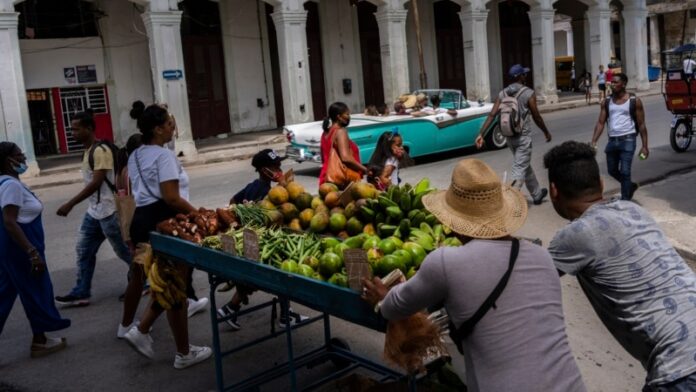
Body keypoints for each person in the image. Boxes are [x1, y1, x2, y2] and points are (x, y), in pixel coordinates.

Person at [362, 159, 586, 392]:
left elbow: (393, 308)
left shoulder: (445, 262)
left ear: (454, 221)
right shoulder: (542, 257)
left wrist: (382, 298)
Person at [544, 141, 696, 392]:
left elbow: (523, 279)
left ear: (553, 191)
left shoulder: (574, 235)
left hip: (679, 369)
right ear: (601, 185)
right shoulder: (634, 210)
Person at [120, 104, 211, 369]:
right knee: (175, 286)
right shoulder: (164, 156)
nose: (173, 127)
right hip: (164, 222)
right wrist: (199, 215)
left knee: (169, 285)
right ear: (158, 129)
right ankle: (164, 342)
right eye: (170, 123)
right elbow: (171, 197)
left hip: (141, 220)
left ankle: (160, 338)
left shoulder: (136, 154)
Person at [217, 149, 308, 330]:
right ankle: (284, 316)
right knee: (282, 267)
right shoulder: (264, 190)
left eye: (279, 165)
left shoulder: (253, 185)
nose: (279, 169)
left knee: (252, 277)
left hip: (252, 239)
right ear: (264, 170)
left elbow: (232, 201)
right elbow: (268, 213)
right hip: (259, 239)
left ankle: (230, 308)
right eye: (275, 167)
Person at [54, 111, 132, 306]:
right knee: (84, 249)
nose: (72, 132)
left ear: (89, 128)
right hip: (95, 211)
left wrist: (70, 203)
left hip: (109, 211)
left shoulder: (100, 150)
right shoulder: (89, 150)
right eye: (71, 128)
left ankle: (145, 280)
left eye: (76, 128)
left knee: (124, 251)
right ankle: (82, 291)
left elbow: (96, 182)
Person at [0, 142, 71, 357]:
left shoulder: (9, 182)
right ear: (8, 161)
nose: (23, 159)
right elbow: (10, 222)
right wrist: (32, 252)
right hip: (21, 249)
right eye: (19, 156)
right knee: (37, 292)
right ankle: (39, 341)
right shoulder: (10, 185)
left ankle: (40, 339)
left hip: (13, 251)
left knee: (5, 296)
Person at [475, 64, 552, 205]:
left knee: (523, 165)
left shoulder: (502, 94)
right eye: (524, 74)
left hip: (509, 137)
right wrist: (546, 132)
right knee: (519, 168)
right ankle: (509, 202)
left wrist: (481, 133)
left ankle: (536, 194)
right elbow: (537, 116)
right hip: (523, 138)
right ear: (520, 76)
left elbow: (492, 114)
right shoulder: (528, 93)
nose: (526, 76)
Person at [590, 72, 649, 201]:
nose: (612, 84)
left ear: (624, 84)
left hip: (628, 139)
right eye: (612, 82)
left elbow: (642, 125)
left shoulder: (634, 101)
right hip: (612, 141)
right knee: (611, 170)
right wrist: (594, 140)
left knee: (625, 172)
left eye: (616, 82)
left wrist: (645, 146)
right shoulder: (606, 101)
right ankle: (630, 186)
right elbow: (600, 122)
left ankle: (625, 200)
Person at [318, 102, 367, 187]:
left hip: (326, 177)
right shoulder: (340, 132)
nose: (349, 117)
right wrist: (365, 169)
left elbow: (323, 158)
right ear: (339, 117)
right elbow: (346, 158)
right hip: (340, 179)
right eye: (347, 114)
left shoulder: (325, 133)